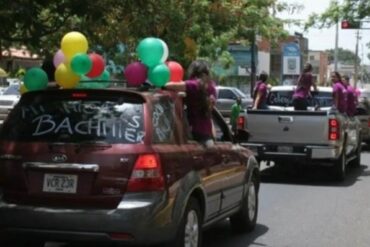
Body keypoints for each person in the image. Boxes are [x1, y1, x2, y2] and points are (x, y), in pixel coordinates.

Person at [163, 60, 216, 147]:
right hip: (206, 132)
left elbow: (169, 85)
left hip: (193, 131)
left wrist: (160, 84)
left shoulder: (193, 85)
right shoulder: (211, 87)